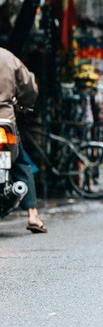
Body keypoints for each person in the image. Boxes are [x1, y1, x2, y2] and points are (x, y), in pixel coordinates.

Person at [0, 47, 46, 233]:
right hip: (4, 121)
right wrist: (26, 104)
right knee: (21, 162)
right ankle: (33, 215)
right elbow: (29, 87)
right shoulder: (8, 57)